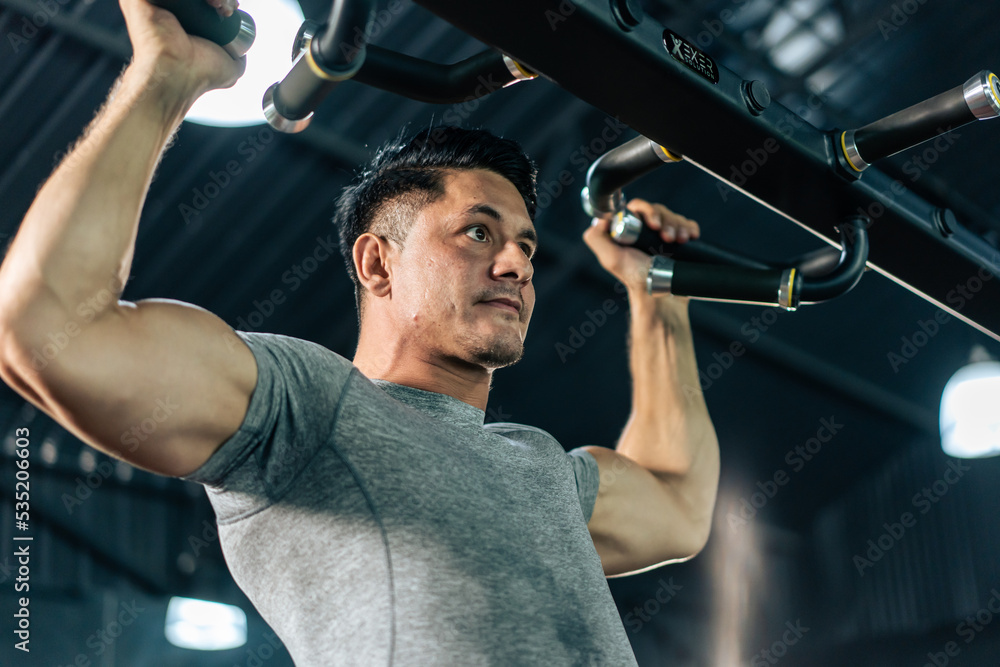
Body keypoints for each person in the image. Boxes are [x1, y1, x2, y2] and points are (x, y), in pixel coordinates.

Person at [0, 0, 720, 664]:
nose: (516, 264)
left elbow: (680, 503)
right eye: (478, 232)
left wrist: (658, 293)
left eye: (527, 247)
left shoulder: (541, 468)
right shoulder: (309, 406)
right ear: (377, 261)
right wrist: (166, 79)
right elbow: (47, 326)